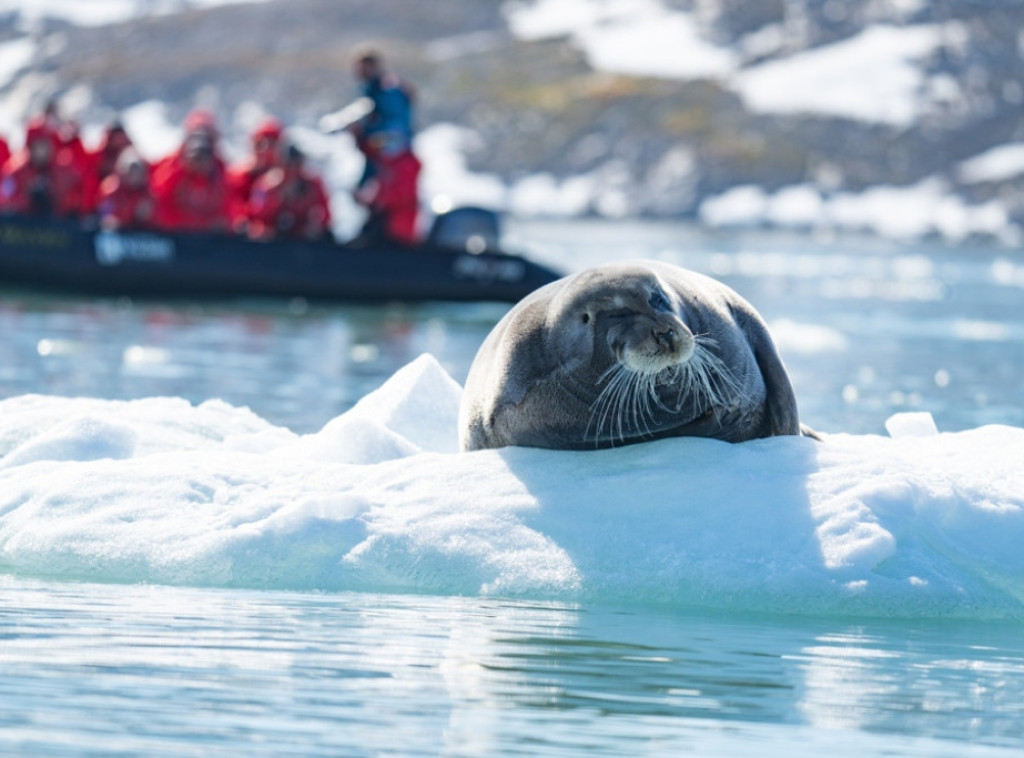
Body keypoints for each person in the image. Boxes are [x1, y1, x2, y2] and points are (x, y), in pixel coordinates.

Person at [347, 47, 420, 244]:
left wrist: (364, 135)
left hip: (396, 228)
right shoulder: (371, 93)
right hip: (383, 202)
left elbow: (391, 134)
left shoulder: (388, 92)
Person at [151, 109, 230, 232]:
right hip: (175, 236)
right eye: (196, 136)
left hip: (209, 241)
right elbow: (158, 200)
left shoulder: (221, 170)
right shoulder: (171, 166)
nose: (201, 144)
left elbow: (229, 206)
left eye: (207, 138)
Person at [0, 116, 83, 218]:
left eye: (46, 144)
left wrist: (54, 198)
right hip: (23, 226)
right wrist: (28, 201)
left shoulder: (64, 171)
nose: (42, 150)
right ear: (30, 146)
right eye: (38, 145)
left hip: (55, 227)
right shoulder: (15, 171)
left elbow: (76, 199)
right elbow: (5, 201)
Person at [246, 144, 332, 240]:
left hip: (302, 236)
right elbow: (256, 214)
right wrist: (278, 199)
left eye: (296, 164)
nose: (293, 169)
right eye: (289, 165)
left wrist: (315, 223)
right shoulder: (267, 184)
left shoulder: (312, 184)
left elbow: (326, 214)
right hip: (272, 237)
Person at [227, 116, 284, 233]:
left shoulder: (288, 177)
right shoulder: (239, 175)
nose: (265, 150)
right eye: (260, 144)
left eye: (272, 145)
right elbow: (233, 204)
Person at [96, 148, 155, 230]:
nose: (135, 175)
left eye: (138, 171)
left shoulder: (147, 193)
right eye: (131, 171)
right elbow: (105, 216)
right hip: (115, 232)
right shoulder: (110, 188)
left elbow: (147, 218)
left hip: (137, 232)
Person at [83, 121, 133, 214]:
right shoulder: (100, 154)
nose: (119, 140)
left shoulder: (129, 153)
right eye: (117, 136)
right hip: (99, 195)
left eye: (121, 136)